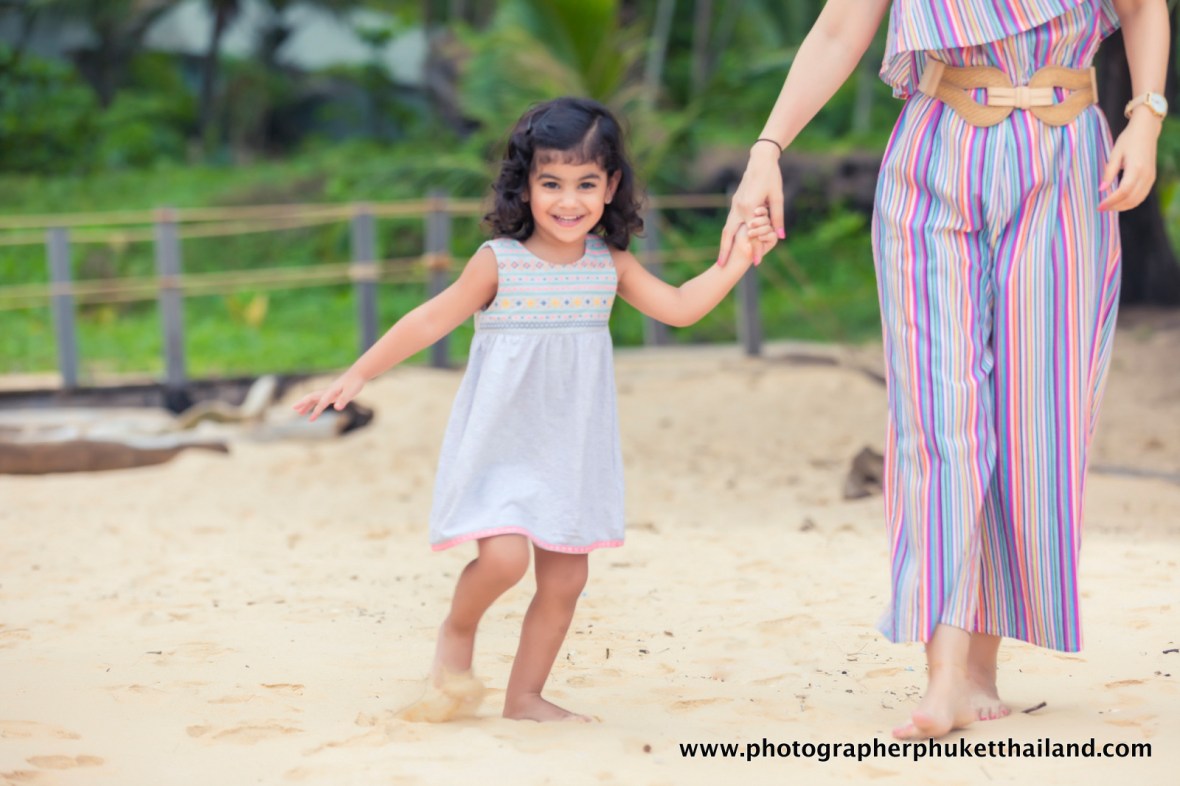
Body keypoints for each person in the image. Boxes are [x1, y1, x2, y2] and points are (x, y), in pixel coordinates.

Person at [718, 0, 1168, 739]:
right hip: (933, 154)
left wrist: (1145, 118)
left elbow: (1145, 7)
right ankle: (944, 674)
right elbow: (838, 30)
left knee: (1036, 419)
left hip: (1067, 166)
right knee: (936, 419)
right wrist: (767, 150)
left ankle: (983, 667)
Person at [294, 96, 775, 722]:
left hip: (571, 447)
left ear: (611, 187)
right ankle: (458, 633)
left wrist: (735, 260)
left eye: (585, 184)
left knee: (567, 581)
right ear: (525, 185)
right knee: (502, 559)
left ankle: (525, 698)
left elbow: (682, 307)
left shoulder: (610, 264)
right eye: (551, 183)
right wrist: (358, 373)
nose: (567, 201)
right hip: (503, 441)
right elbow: (431, 318)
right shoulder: (500, 262)